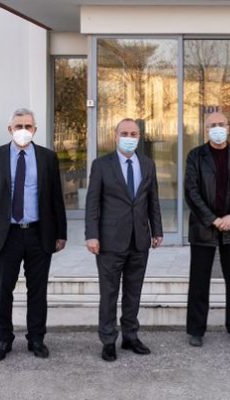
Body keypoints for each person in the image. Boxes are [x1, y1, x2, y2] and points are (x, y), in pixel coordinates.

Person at [0, 108, 67, 362]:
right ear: (10, 129)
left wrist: (61, 233)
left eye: (28, 126)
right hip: (6, 236)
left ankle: (36, 338)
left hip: (39, 233)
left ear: (35, 130)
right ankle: (3, 339)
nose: (23, 130)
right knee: (3, 290)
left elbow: (56, 198)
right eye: (19, 126)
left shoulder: (48, 158)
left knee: (37, 291)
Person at [85, 118, 163, 362]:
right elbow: (92, 203)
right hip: (109, 241)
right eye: (125, 133)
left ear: (139, 137)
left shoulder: (148, 164)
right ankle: (108, 340)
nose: (129, 137)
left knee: (133, 292)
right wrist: (92, 235)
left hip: (139, 240)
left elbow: (153, 200)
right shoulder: (101, 165)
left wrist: (157, 230)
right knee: (109, 293)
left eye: (134, 134)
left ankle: (130, 336)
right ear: (115, 136)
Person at [184, 111, 230, 347]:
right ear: (206, 129)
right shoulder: (196, 156)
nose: (217, 128)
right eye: (212, 125)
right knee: (199, 281)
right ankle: (196, 330)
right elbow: (191, 191)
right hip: (203, 228)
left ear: (228, 127)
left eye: (221, 124)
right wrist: (213, 219)